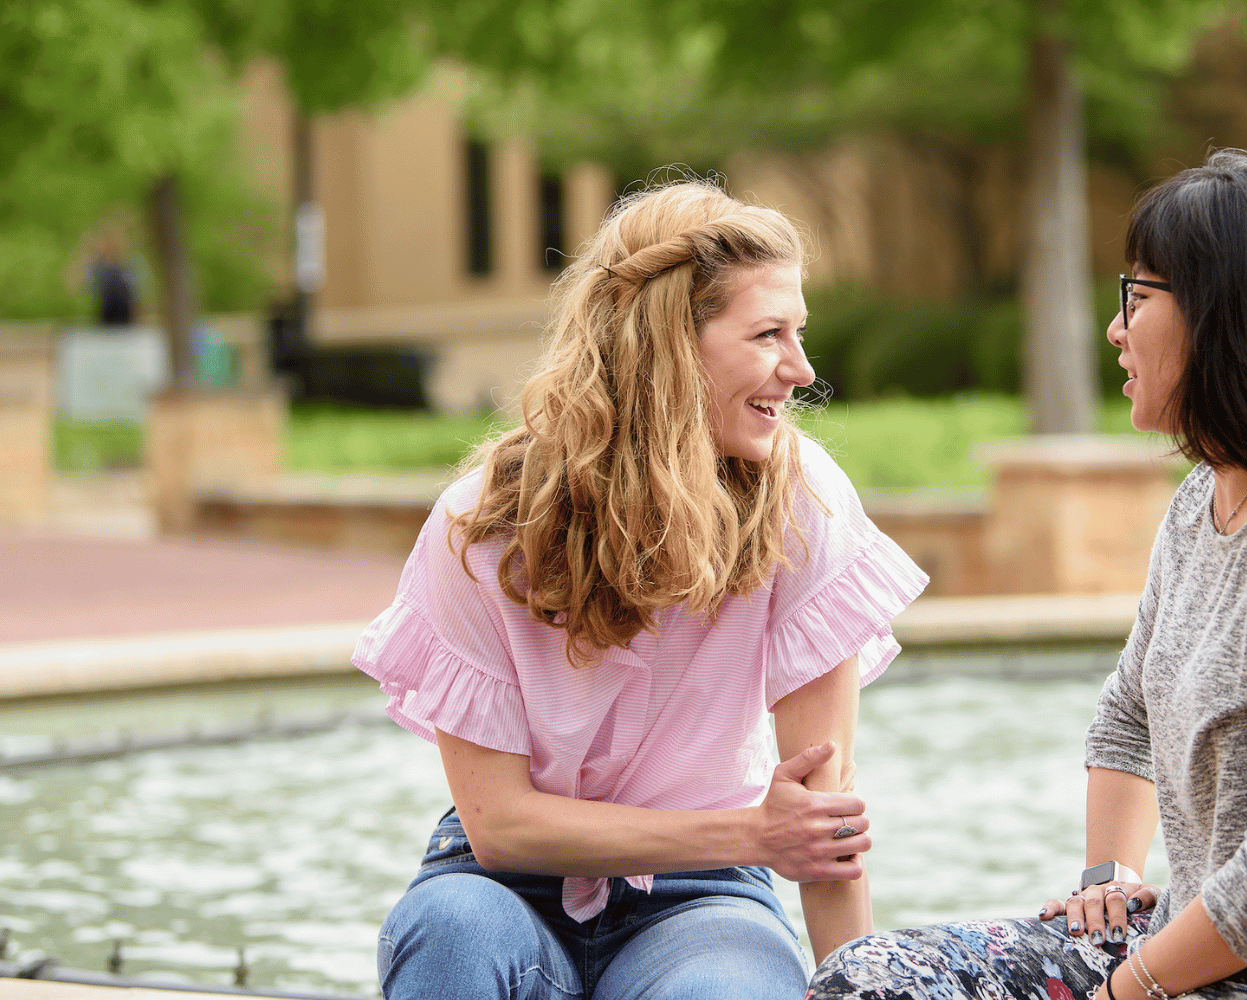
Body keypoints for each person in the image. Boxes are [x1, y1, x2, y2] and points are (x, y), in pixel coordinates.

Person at [808, 150, 1247, 1000]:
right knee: (871, 980)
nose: (1116, 329)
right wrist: (1107, 885)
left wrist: (1126, 988)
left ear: (1231, 319)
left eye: (1137, 299)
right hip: (1212, 933)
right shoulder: (1205, 495)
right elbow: (1129, 716)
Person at [356, 180, 929, 999]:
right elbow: (501, 826)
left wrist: (858, 988)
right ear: (669, 344)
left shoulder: (805, 503)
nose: (800, 370)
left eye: (798, 334)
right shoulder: (483, 522)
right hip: (500, 886)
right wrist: (752, 830)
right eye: (769, 334)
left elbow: (817, 822)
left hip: (707, 901)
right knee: (452, 939)